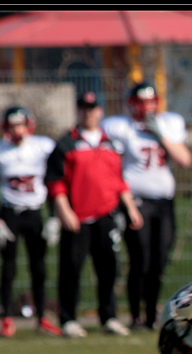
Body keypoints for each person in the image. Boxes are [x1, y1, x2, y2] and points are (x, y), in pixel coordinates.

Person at [45, 91, 144, 338]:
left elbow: (118, 181)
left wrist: (130, 207)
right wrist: (64, 210)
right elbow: (56, 182)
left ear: (100, 111)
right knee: (71, 269)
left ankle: (109, 317)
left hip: (105, 215)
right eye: (83, 108)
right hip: (77, 217)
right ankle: (68, 319)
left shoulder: (110, 143)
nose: (88, 113)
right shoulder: (67, 142)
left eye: (92, 108)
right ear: (78, 111)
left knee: (109, 268)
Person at [103, 82, 192, 331]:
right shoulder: (122, 127)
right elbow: (114, 169)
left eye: (150, 101)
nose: (146, 107)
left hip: (164, 202)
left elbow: (184, 159)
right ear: (131, 104)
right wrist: (127, 204)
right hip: (136, 202)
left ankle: (152, 316)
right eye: (141, 102)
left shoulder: (169, 124)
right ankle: (135, 316)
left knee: (159, 261)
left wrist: (159, 134)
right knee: (140, 259)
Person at [0, 105, 62, 337]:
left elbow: (53, 183)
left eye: (20, 125)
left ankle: (42, 317)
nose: (16, 130)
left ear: (29, 125)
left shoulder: (42, 148)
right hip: (10, 214)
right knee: (8, 268)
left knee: (39, 267)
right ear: (5, 128)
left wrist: (53, 218)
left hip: (35, 212)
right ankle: (6, 319)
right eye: (12, 126)